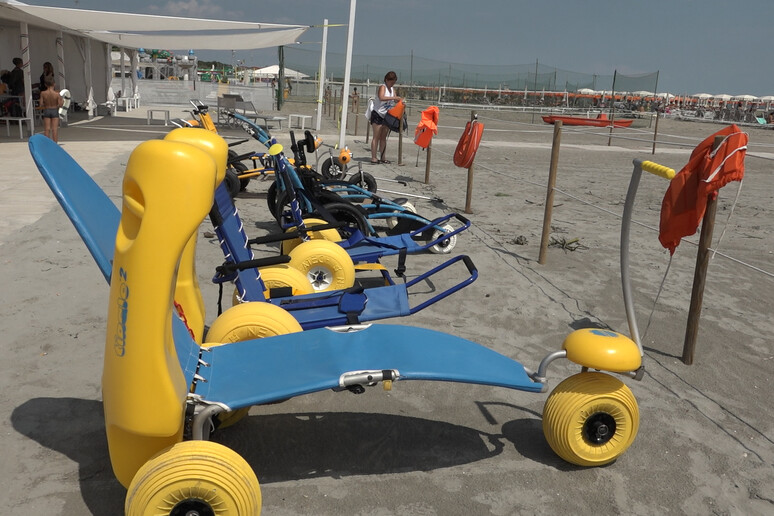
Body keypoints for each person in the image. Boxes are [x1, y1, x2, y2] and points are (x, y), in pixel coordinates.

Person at [370, 71, 401, 164]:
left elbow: (395, 99)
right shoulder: (382, 87)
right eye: (391, 82)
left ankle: (383, 157)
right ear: (387, 80)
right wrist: (393, 98)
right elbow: (381, 97)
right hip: (378, 114)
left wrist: (399, 101)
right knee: (376, 136)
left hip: (387, 115)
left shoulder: (393, 90)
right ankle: (374, 157)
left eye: (394, 82)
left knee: (383, 137)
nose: (392, 84)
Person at [39, 76, 63, 143]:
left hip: (47, 110)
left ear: (45, 84)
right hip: (54, 110)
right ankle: (55, 144)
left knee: (47, 129)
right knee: (54, 129)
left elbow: (41, 104)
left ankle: (46, 144)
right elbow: (60, 105)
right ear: (54, 84)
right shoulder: (57, 94)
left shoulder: (43, 93)